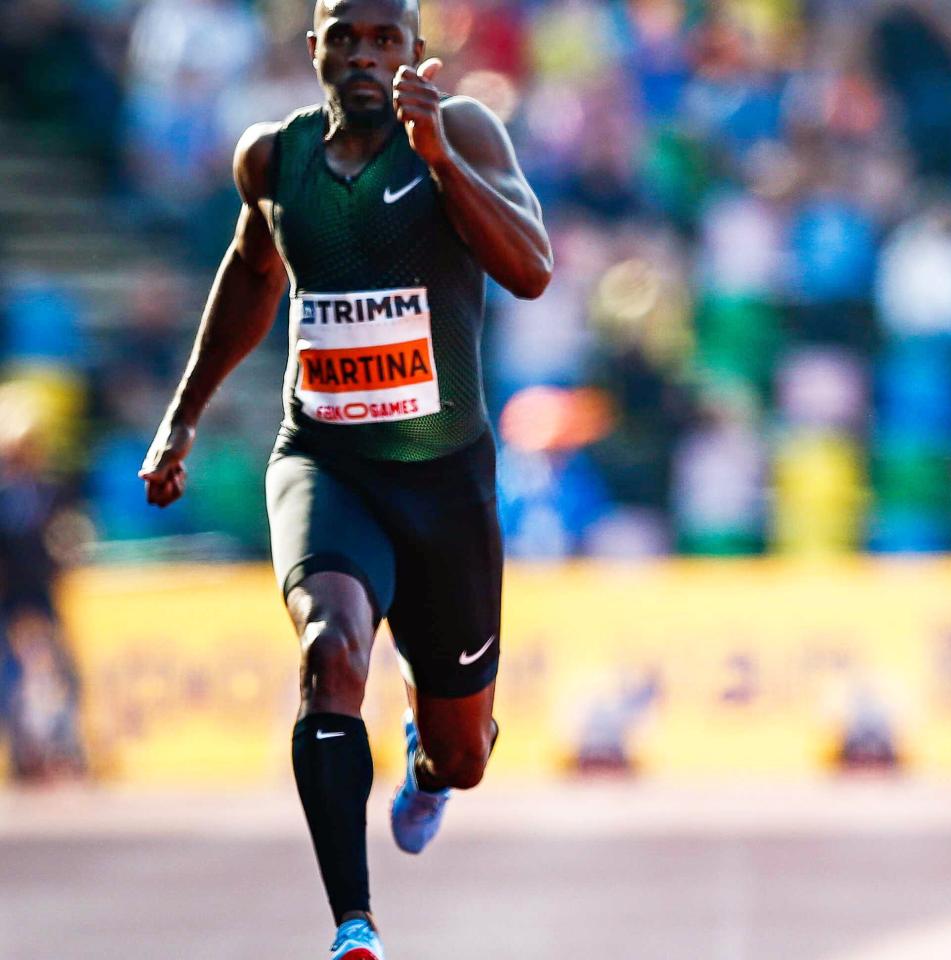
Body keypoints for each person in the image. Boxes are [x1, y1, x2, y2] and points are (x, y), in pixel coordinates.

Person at [138, 0, 552, 955]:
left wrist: (440, 160)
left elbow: (531, 270)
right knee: (330, 651)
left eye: (385, 40)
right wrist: (183, 416)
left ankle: (429, 761)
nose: (364, 57)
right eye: (345, 39)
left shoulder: (460, 131)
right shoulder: (272, 161)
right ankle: (354, 928)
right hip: (324, 461)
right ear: (313, 48)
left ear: (417, 52)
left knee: (464, 756)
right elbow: (251, 277)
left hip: (444, 481)